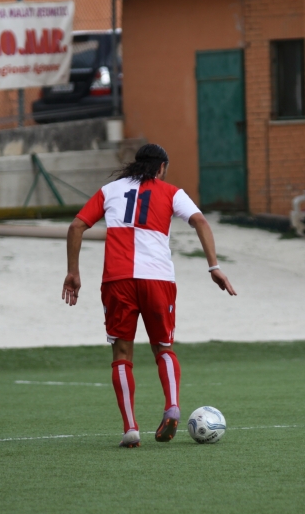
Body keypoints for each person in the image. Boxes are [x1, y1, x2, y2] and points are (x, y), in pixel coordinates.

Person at [62, 144, 236, 448]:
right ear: (161, 167)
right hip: (157, 279)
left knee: (121, 355)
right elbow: (200, 221)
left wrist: (73, 272)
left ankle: (130, 428)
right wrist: (214, 266)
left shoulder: (110, 190)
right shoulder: (171, 191)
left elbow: (76, 226)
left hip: (117, 281)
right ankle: (172, 406)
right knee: (163, 347)